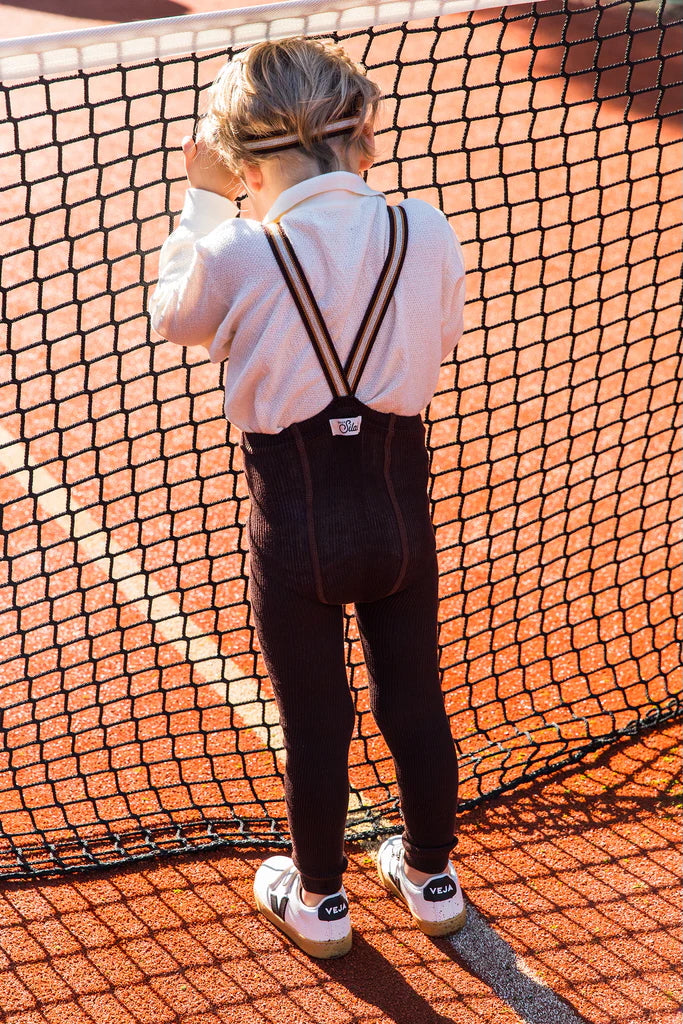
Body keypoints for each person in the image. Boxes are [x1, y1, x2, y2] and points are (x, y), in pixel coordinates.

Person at [149, 36, 467, 960]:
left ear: (242, 156)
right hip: (400, 513)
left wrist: (202, 198)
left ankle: (320, 898)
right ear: (360, 134)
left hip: (294, 528)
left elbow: (173, 317)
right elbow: (438, 333)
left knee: (314, 717)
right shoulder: (427, 229)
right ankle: (431, 874)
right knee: (416, 700)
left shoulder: (237, 251)